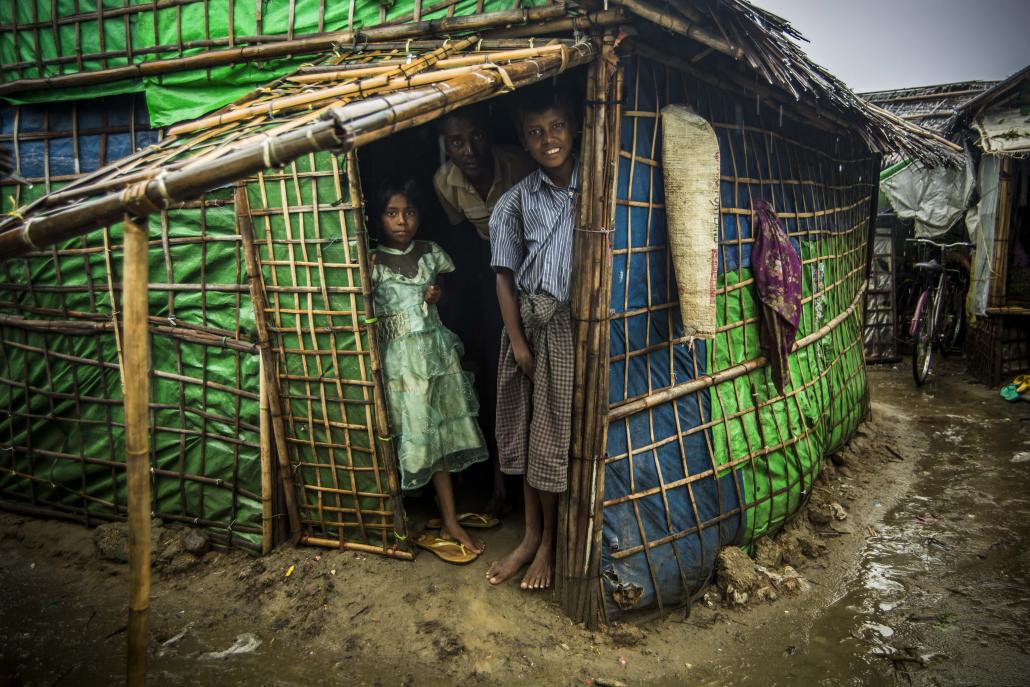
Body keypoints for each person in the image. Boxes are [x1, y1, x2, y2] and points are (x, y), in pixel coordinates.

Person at [485, 91, 578, 590]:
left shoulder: (601, 187)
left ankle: (548, 543)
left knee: (553, 436)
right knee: (524, 431)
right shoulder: (514, 201)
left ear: (576, 128)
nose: (549, 139)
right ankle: (530, 536)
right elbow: (503, 278)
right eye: (537, 132)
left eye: (558, 126)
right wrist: (518, 344)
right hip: (527, 324)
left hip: (568, 328)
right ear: (524, 139)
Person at [370, 179, 489, 564]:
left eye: (409, 212)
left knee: (439, 436)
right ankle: (403, 521)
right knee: (406, 437)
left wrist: (440, 295)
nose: (401, 221)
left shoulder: (430, 253)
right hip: (398, 367)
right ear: (378, 217)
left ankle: (450, 521)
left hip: (436, 357)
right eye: (392, 213)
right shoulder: (369, 261)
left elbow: (452, 299)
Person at [433, 107, 535, 518]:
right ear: (446, 145)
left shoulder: (521, 162)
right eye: (457, 142)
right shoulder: (444, 184)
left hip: (538, 262)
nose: (469, 149)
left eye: (476, 136)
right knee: (499, 372)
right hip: (495, 272)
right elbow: (465, 241)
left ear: (488, 134)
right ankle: (500, 481)